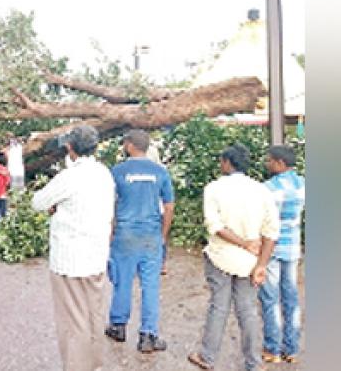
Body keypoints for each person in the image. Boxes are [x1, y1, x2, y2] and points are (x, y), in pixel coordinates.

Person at [187, 144, 281, 371]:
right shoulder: (262, 191)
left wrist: (242, 243)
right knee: (248, 309)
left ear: (227, 162)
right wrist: (261, 265)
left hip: (221, 256)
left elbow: (215, 226)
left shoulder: (214, 189)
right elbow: (271, 232)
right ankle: (254, 363)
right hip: (250, 262)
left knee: (219, 306)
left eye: (222, 161)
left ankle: (207, 357)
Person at [32, 125, 115, 371]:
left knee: (73, 321)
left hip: (70, 261)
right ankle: (95, 365)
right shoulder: (104, 173)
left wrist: (56, 207)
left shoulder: (69, 177)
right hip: (96, 256)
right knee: (94, 315)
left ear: (69, 148)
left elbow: (38, 202)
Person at [104, 129, 175, 353]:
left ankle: (118, 326)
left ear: (129, 145)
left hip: (124, 235)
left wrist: (110, 234)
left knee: (122, 281)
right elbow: (169, 206)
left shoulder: (117, 172)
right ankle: (148, 336)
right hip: (151, 235)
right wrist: (163, 235)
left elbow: (110, 205)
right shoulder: (160, 172)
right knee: (150, 285)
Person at [258, 145, 305, 364]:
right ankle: (292, 349)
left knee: (270, 300)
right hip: (293, 247)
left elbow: (263, 220)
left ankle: (272, 349)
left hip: (272, 248)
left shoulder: (269, 188)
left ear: (279, 163)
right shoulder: (303, 184)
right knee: (291, 299)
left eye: (270, 161)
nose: (267, 164)